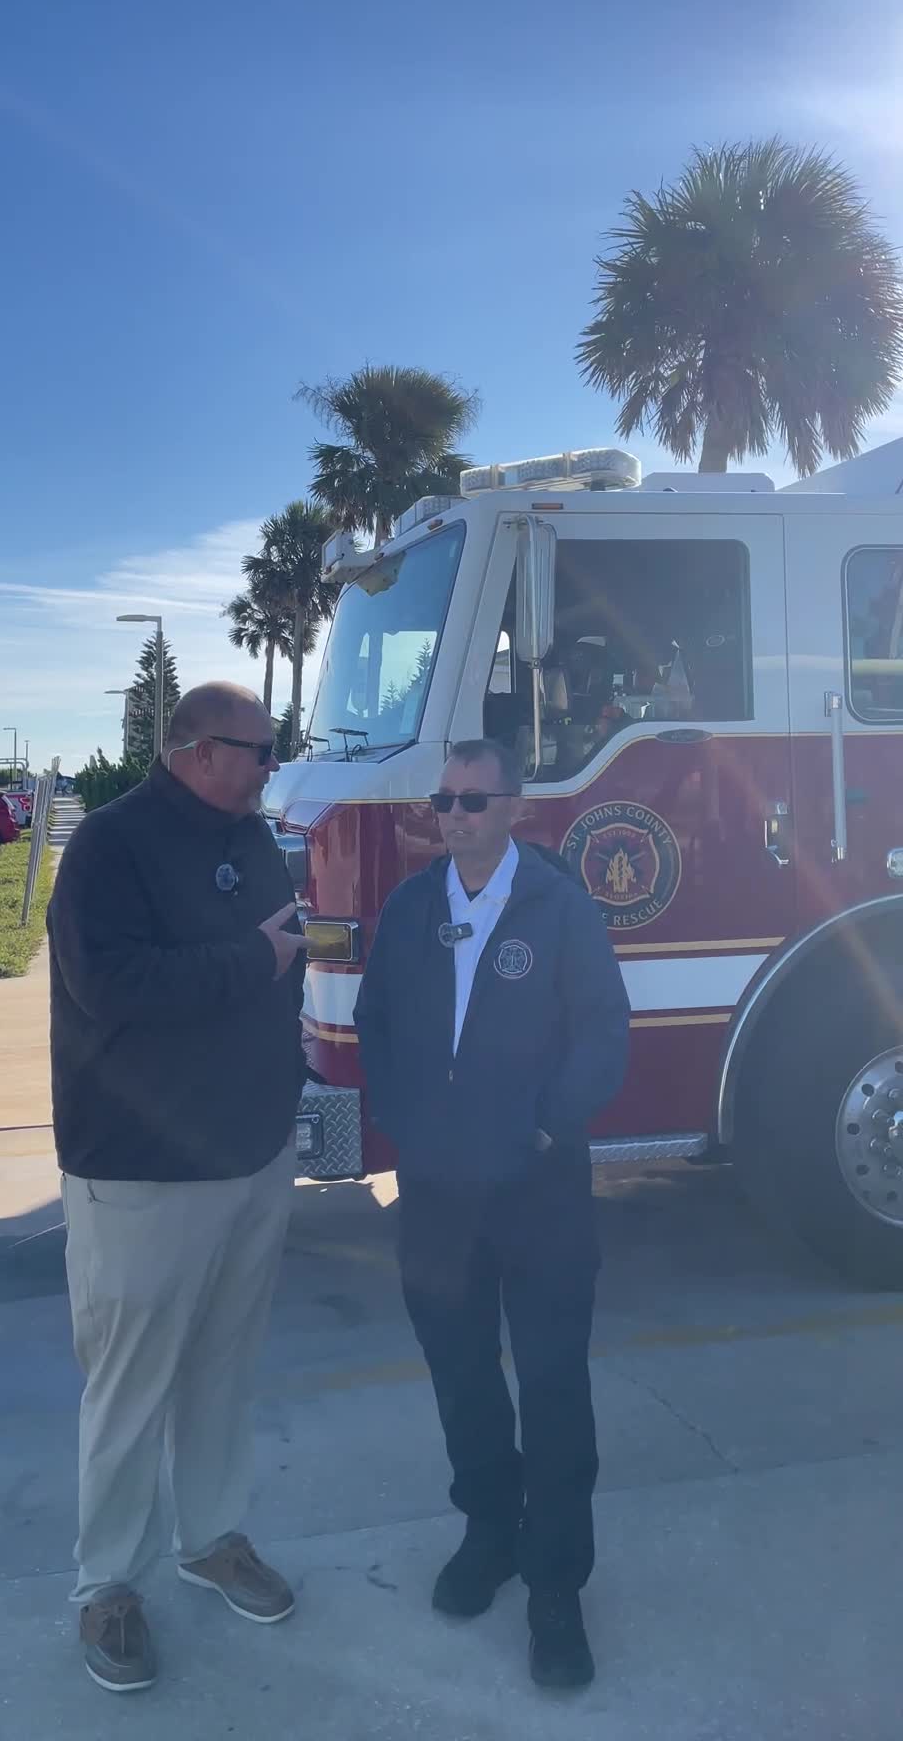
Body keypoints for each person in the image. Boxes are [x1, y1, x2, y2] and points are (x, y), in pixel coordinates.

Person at [47, 682, 310, 1694]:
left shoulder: (252, 837)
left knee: (222, 1369)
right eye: (260, 750)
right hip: (141, 1171)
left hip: (250, 1155)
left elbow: (274, 961)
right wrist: (257, 957)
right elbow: (112, 987)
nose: (270, 768)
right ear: (199, 750)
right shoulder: (110, 848)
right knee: (128, 1386)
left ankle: (212, 1538)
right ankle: (106, 1587)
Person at [354, 738, 629, 1693]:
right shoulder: (411, 908)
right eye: (445, 798)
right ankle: (491, 1534)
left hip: (540, 1192)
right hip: (437, 1197)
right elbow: (376, 1023)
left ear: (516, 807)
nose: (456, 813)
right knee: (463, 1376)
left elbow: (603, 1031)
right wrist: (405, 1125)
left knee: (554, 1389)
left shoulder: (561, 908)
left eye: (475, 799)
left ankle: (557, 1584)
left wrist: (550, 1131)